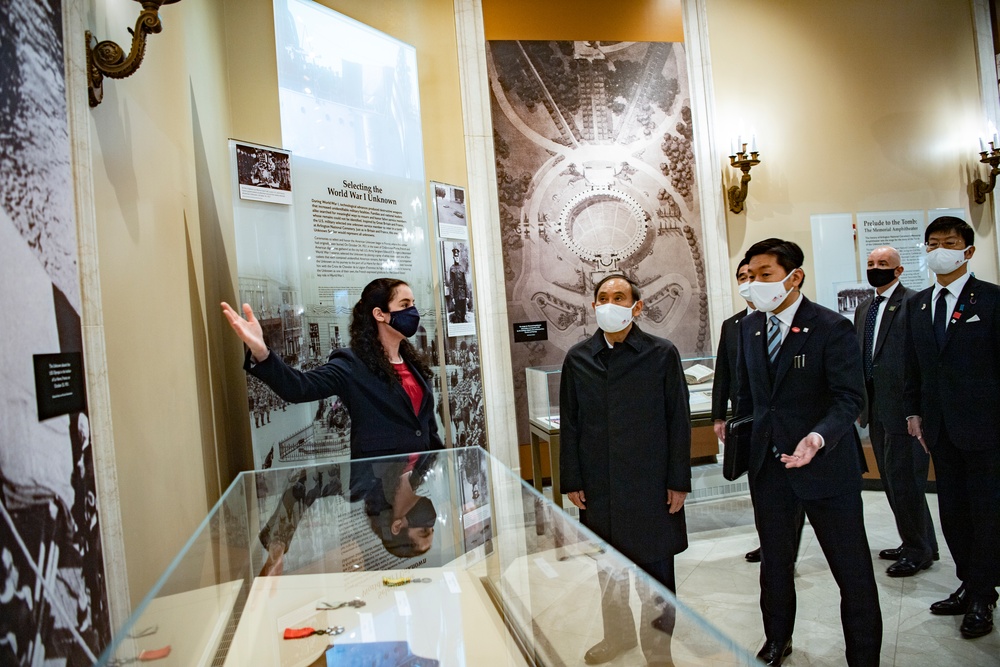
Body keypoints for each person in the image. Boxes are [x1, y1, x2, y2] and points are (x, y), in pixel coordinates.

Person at [734, 239, 880, 666]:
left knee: (851, 571)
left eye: (766, 275)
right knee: (775, 564)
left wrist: (817, 437)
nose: (756, 284)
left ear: (794, 277)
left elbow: (849, 399)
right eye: (751, 274)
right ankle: (777, 639)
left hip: (827, 466)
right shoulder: (750, 327)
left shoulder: (831, 327)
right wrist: (742, 432)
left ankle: (864, 655)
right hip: (770, 468)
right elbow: (751, 395)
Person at [560, 274, 691, 667]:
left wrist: (678, 481)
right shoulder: (578, 358)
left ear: (637, 306)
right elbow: (571, 424)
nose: (609, 303)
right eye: (602, 297)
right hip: (600, 487)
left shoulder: (662, 354)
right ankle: (616, 637)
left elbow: (678, 422)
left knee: (655, 577)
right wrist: (572, 479)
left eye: (619, 297)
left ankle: (657, 651)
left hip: (651, 485)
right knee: (609, 572)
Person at [904, 216, 1000, 639]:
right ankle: (969, 581)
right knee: (954, 513)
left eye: (949, 242)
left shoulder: (993, 301)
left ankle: (983, 595)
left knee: (987, 514)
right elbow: (913, 367)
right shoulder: (918, 305)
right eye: (932, 243)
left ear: (968, 251)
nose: (939, 249)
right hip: (940, 430)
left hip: (987, 429)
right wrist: (913, 413)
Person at [221, 278, 444, 460]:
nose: (413, 311)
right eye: (405, 305)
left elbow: (427, 426)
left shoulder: (413, 362)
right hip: (380, 486)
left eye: (413, 304)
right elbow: (299, 387)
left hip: (419, 484)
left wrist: (442, 468)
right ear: (379, 314)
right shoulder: (352, 365)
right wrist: (261, 352)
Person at [854, 246, 938, 577]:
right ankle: (917, 541)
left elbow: (922, 359)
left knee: (907, 482)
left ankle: (919, 551)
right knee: (891, 480)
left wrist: (918, 408)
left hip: (905, 410)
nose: (876, 268)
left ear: (899, 270)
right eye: (872, 263)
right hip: (876, 409)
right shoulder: (864, 307)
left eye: (883, 264)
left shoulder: (915, 304)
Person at [714, 259, 802, 564]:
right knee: (760, 489)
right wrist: (719, 416)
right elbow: (724, 374)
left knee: (792, 494)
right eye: (743, 277)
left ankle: (785, 550)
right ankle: (771, 544)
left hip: (793, 427)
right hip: (752, 422)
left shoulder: (807, 322)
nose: (749, 282)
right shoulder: (736, 325)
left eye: (759, 276)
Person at [448, 248, 469, 323]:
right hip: (456, 295)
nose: (456, 258)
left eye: (457, 257)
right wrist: (452, 297)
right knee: (458, 314)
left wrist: (467, 296)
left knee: (463, 313)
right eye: (455, 257)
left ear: (459, 257)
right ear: (453, 257)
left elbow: (465, 282)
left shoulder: (462, 268)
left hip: (463, 294)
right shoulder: (452, 268)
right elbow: (451, 283)